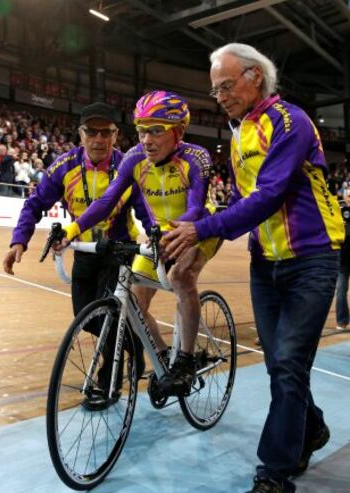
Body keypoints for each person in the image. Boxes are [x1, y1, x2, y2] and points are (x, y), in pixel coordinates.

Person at [164, 43, 344, 493]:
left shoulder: (290, 121)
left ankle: (274, 475)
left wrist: (203, 227)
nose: (220, 95)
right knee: (280, 367)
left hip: (312, 260)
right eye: (215, 90)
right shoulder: (241, 132)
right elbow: (247, 201)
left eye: (226, 85)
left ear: (254, 77)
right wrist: (203, 237)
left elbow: (271, 194)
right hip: (266, 265)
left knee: (287, 364)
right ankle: (312, 429)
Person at [56, 90, 221, 396]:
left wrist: (176, 233)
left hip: (197, 230)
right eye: (143, 130)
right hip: (159, 236)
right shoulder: (134, 159)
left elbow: (195, 207)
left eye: (156, 130)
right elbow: (107, 201)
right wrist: (72, 230)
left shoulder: (197, 157)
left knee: (180, 277)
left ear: (179, 131)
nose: (147, 140)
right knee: (133, 300)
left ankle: (184, 361)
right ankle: (162, 359)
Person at [3, 102, 145, 410]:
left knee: (107, 316)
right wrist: (19, 242)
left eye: (105, 132)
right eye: (90, 131)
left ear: (115, 135)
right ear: (80, 135)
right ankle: (133, 342)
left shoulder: (127, 165)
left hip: (119, 251)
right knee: (85, 317)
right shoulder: (64, 166)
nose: (98, 139)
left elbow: (146, 208)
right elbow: (34, 204)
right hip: (84, 250)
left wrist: (159, 239)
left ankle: (108, 383)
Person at [335, 188, 350, 330]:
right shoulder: (339, 212)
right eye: (349, 196)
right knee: (340, 290)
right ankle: (342, 320)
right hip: (343, 260)